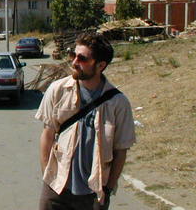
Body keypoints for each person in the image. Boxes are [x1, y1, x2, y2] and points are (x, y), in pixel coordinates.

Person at [36, 32, 135, 210]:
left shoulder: (118, 103)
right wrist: (47, 177)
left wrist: (108, 188)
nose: (74, 62)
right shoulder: (58, 90)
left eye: (82, 58)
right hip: (57, 188)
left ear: (100, 65)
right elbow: (47, 135)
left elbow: (120, 151)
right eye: (73, 55)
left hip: (94, 194)